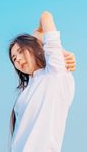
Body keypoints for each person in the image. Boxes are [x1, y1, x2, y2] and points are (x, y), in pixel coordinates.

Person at [8, 11, 76, 152]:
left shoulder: (54, 73)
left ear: (33, 48)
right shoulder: (25, 93)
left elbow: (45, 17)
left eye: (20, 51)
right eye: (14, 58)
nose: (18, 59)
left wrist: (60, 52)